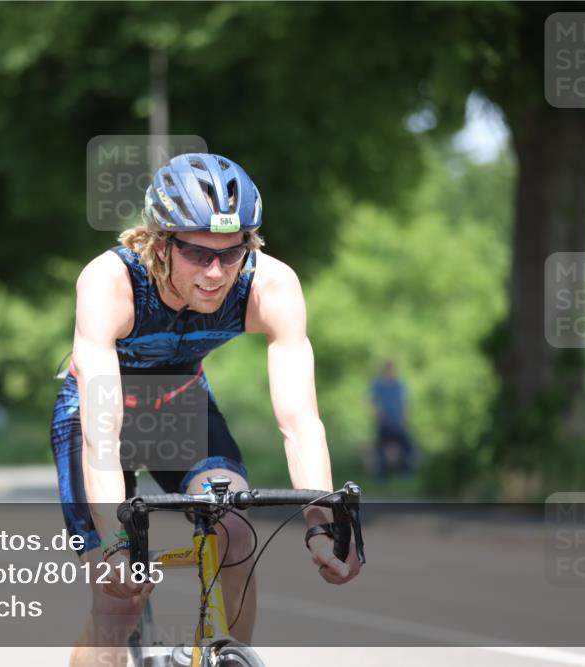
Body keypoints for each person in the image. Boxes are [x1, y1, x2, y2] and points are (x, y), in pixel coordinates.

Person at [50, 153, 361, 667]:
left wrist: (321, 522)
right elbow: (101, 434)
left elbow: (300, 422)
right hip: (95, 413)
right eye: (196, 253)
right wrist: (115, 544)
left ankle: (227, 657)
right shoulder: (111, 282)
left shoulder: (270, 285)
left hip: (180, 404)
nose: (216, 273)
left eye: (232, 252)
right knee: (120, 595)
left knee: (234, 527)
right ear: (158, 242)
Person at [370, 360, 416, 479]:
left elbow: (404, 402)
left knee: (406, 447)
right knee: (381, 448)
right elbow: (373, 402)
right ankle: (382, 474)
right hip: (385, 422)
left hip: (397, 422)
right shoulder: (379, 385)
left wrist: (404, 418)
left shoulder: (398, 384)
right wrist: (379, 416)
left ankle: (405, 471)